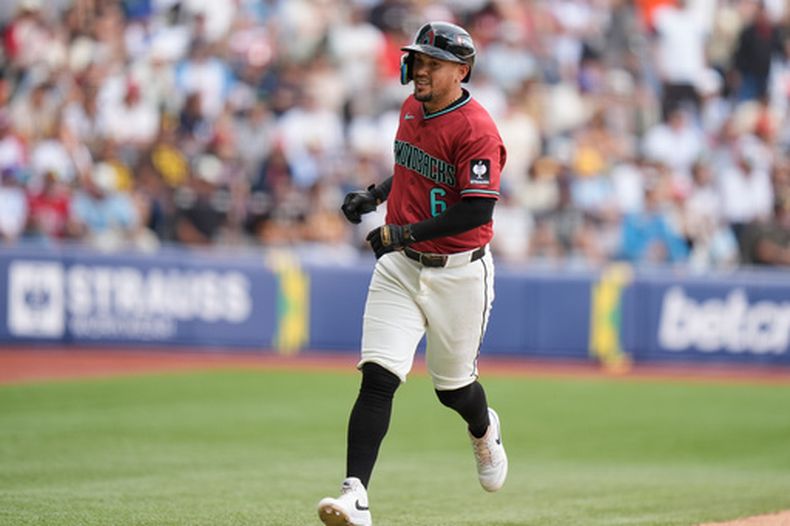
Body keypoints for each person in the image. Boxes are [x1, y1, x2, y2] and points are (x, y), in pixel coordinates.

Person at [317, 21, 508, 526]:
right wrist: (376, 195)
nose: (421, 69)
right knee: (378, 378)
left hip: (459, 272)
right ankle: (355, 494)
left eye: (433, 62)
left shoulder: (477, 129)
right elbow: (411, 164)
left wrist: (400, 233)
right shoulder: (411, 107)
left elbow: (476, 212)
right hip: (402, 269)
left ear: (460, 71)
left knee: (453, 390)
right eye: (419, 59)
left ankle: (483, 428)